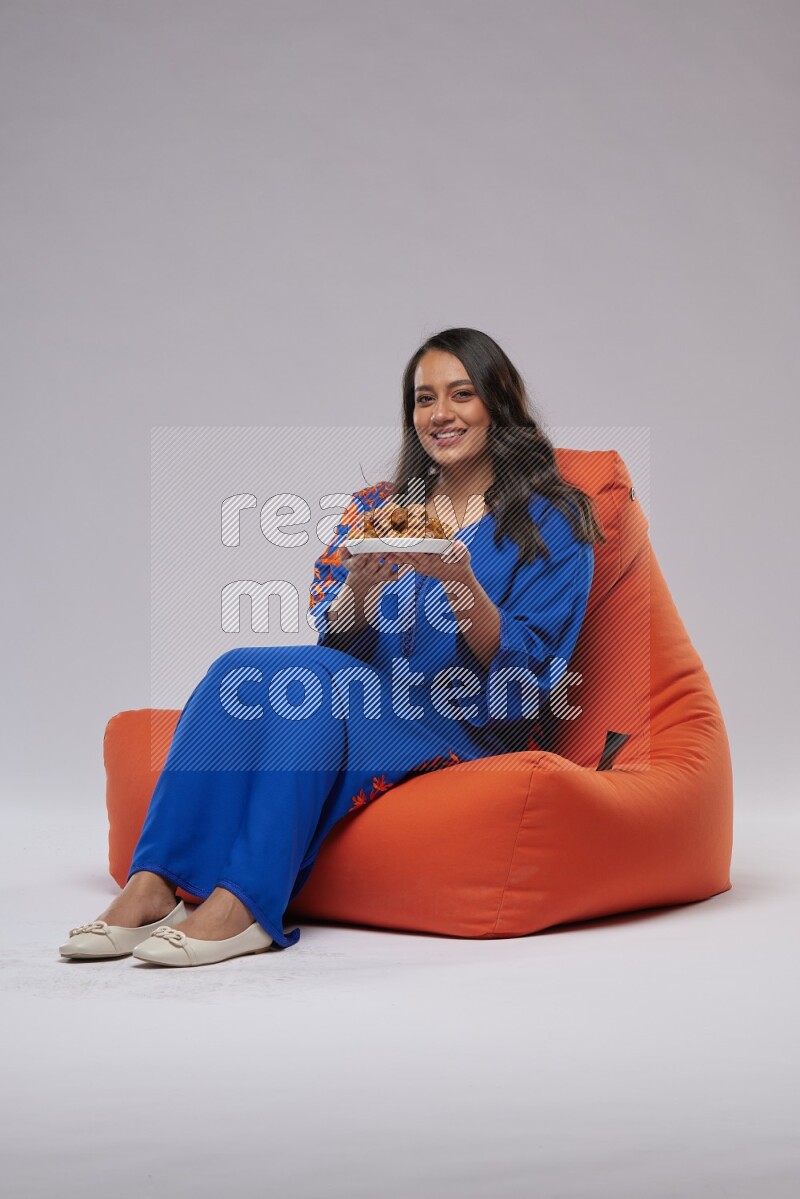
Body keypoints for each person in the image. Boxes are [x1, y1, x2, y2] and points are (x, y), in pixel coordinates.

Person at [59, 327, 604, 967]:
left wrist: (463, 585)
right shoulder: (381, 508)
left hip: (472, 719)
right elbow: (336, 640)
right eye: (424, 398)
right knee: (236, 669)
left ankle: (245, 906)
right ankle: (152, 884)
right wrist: (360, 592)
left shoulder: (554, 518)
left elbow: (533, 676)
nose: (440, 414)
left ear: (498, 402)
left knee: (316, 692)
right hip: (378, 701)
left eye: (462, 394)